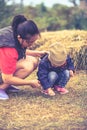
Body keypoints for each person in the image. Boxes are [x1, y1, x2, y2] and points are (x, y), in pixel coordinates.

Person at [0, 14, 47, 100]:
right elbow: (7, 78)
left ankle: (6, 86)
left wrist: (37, 53)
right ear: (20, 38)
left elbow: (18, 50)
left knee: (33, 60)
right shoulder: (8, 48)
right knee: (27, 66)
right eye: (29, 43)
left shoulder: (16, 31)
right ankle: (2, 88)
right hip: (5, 75)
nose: (30, 45)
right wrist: (30, 82)